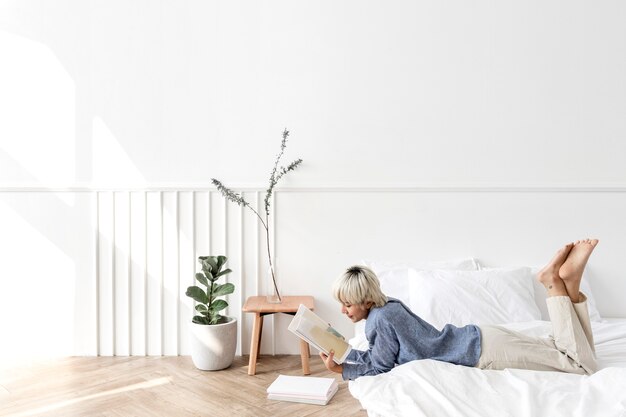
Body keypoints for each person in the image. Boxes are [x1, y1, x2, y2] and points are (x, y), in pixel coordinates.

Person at [320, 239, 599, 381]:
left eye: (347, 304)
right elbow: (380, 354)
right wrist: (346, 351)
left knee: (580, 365)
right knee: (563, 346)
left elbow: (380, 367)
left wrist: (342, 370)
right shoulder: (388, 306)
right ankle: (570, 285)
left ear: (366, 301)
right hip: (480, 337)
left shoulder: (377, 322)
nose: (343, 311)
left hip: (482, 353)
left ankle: (554, 284)